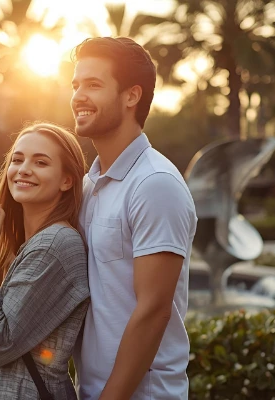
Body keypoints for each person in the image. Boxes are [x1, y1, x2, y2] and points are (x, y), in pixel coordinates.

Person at [69, 37, 198, 399]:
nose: (78, 95)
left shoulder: (155, 183)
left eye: (93, 85)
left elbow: (153, 310)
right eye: (76, 85)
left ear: (131, 96)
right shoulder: (89, 184)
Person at [0, 122, 90, 399]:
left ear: (67, 180)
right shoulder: (31, 243)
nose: (23, 169)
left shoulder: (54, 245)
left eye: (41, 162)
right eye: (17, 160)